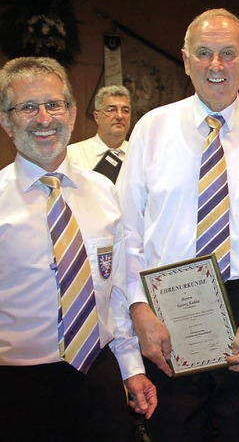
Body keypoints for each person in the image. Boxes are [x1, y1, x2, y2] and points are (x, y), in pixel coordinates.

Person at [116, 8, 239, 442]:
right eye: (204, 53)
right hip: (166, 311)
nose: (216, 65)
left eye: (228, 53)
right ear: (186, 59)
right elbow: (125, 231)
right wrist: (139, 310)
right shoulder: (151, 129)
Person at [0, 57, 156, 441]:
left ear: (71, 113)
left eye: (54, 104)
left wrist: (131, 366)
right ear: (6, 120)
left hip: (97, 376)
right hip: (18, 387)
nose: (43, 118)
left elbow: (116, 290)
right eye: (27, 107)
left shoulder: (103, 192)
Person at [67, 85, 131, 170]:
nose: (119, 116)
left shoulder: (140, 154)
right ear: (96, 117)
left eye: (125, 111)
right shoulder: (72, 155)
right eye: (111, 110)